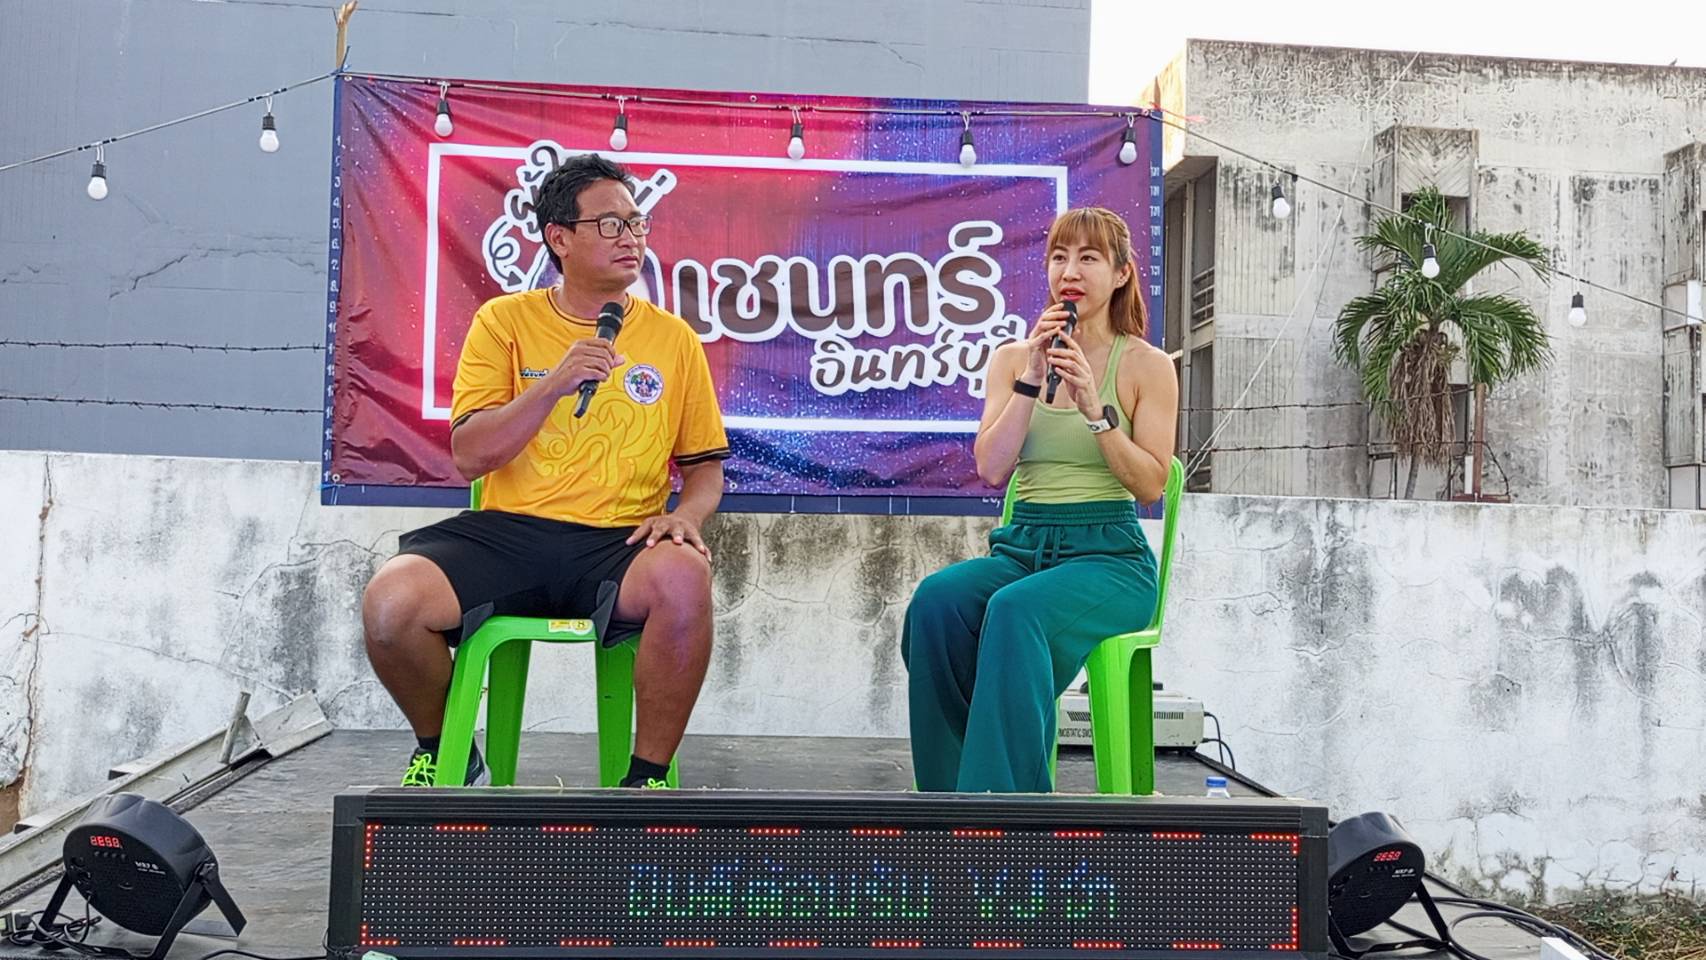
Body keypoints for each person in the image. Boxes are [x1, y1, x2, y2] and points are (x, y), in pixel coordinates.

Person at [361, 154, 730, 788]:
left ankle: (645, 781)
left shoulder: (673, 339)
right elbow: (472, 454)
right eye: (610, 224)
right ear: (559, 237)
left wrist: (686, 517)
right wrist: (555, 383)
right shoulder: (504, 322)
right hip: (509, 534)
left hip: (618, 543)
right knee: (391, 603)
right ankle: (446, 750)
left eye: (636, 222)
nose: (630, 237)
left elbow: (704, 468)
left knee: (686, 575)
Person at [901, 206, 1178, 793]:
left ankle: (1010, 809)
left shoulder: (1147, 366)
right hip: (1022, 548)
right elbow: (992, 468)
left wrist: (1095, 410)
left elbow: (1151, 484)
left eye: (1088, 258)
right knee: (936, 604)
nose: (1069, 271)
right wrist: (1031, 375)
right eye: (1058, 257)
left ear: (1121, 273)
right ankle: (949, 799)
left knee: (1015, 610)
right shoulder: (1011, 360)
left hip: (1109, 558)